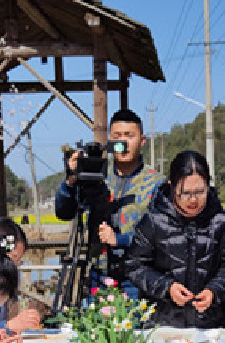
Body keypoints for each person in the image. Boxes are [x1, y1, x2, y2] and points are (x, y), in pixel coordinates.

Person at [125, 150, 225, 329]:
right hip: (161, 323)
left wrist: (214, 291)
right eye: (185, 193)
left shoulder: (222, 221)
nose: (193, 200)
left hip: (209, 325)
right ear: (171, 186)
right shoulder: (153, 221)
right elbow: (134, 265)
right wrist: (167, 287)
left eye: (200, 191)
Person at [54, 108, 162, 288]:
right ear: (110, 141)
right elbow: (64, 212)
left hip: (138, 280)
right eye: (117, 136)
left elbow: (160, 235)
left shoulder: (156, 183)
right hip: (98, 275)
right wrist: (71, 179)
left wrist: (119, 239)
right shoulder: (96, 176)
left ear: (142, 140)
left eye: (129, 135)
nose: (123, 142)